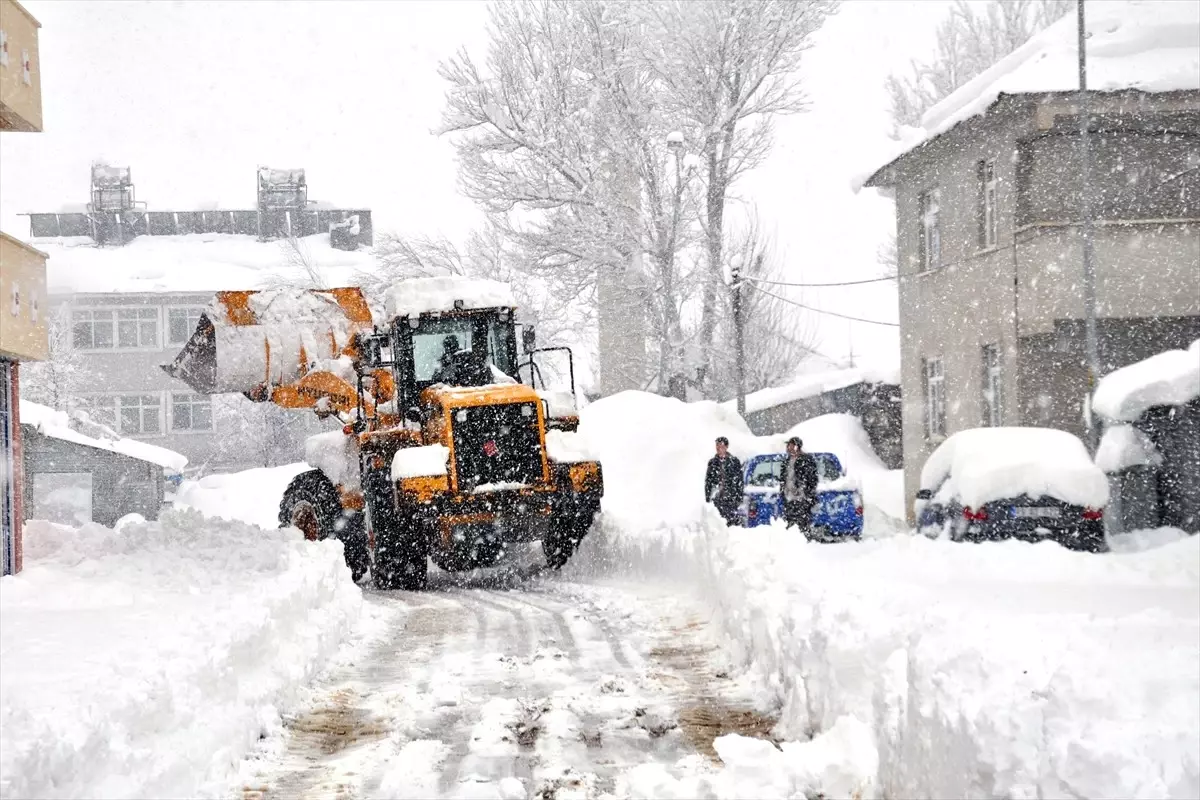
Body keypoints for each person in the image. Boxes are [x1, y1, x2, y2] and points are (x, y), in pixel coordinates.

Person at [781, 436, 819, 533]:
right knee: (789, 525)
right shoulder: (787, 461)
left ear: (796, 446)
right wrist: (782, 490)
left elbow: (812, 479)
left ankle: (804, 541)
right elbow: (783, 478)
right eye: (788, 446)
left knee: (802, 525)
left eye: (790, 445)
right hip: (789, 499)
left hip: (802, 499)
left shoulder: (806, 460)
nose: (788, 448)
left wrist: (806, 494)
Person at [704, 436, 744, 526]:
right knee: (719, 524)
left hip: (731, 499)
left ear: (726, 447)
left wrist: (739, 497)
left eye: (720, 446)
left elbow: (739, 481)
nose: (718, 448)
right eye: (717, 446)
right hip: (717, 500)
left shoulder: (734, 462)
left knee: (732, 525)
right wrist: (708, 498)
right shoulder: (712, 463)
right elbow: (708, 482)